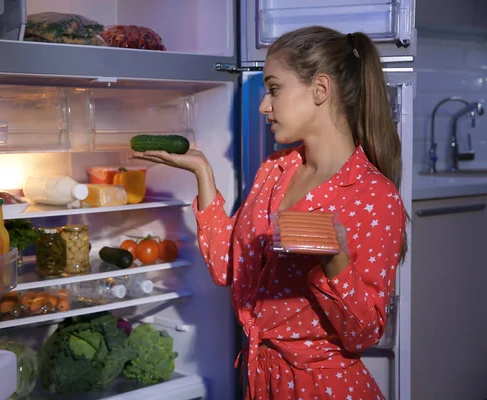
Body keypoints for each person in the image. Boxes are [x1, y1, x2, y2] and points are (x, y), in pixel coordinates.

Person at [133, 25, 407, 400]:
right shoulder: (276, 170)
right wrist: (202, 171)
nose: (264, 105)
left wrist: (334, 260)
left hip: (322, 389)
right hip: (261, 382)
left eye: (274, 89)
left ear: (320, 90)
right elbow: (226, 265)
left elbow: (364, 333)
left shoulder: (375, 196)